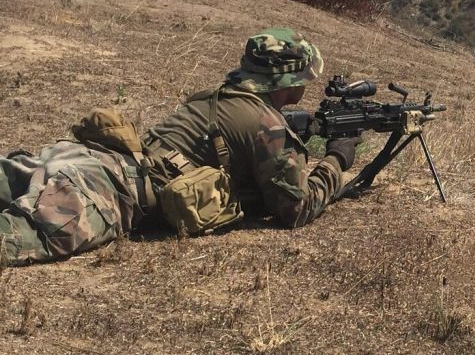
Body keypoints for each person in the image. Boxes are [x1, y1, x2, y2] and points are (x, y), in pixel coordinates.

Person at [0, 28, 358, 266]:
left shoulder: (218, 97)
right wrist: (336, 159)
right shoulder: (268, 127)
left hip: (83, 158)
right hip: (104, 192)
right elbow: (295, 209)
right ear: (290, 81)